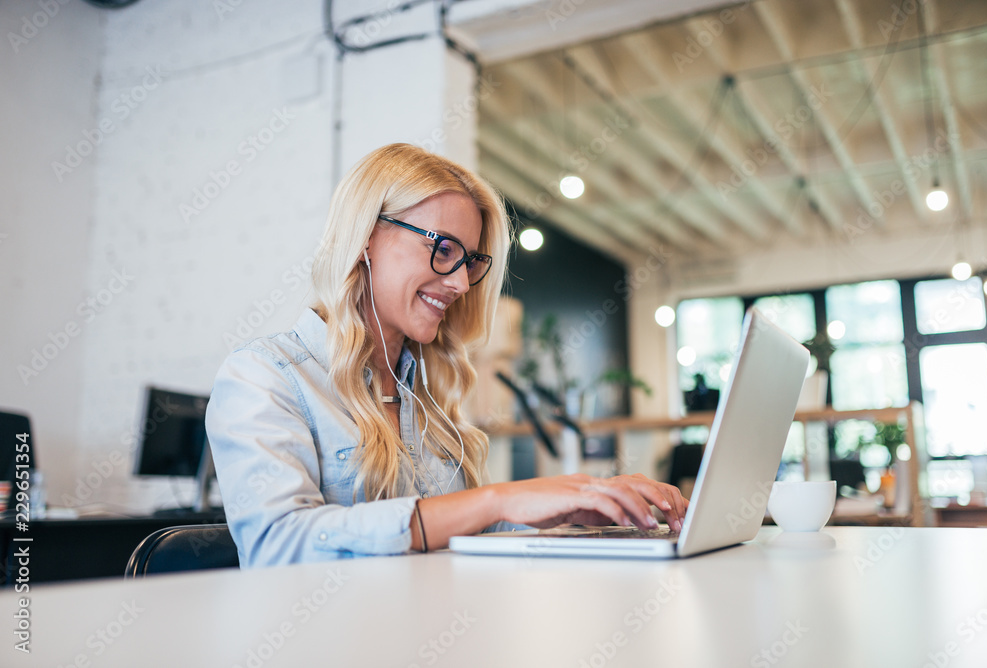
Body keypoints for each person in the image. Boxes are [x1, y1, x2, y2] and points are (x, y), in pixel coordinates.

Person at [205, 143, 689, 567]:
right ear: (366, 238)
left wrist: (576, 510)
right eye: (442, 249)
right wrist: (497, 499)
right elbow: (278, 546)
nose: (460, 283)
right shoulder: (265, 377)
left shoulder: (424, 396)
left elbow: (466, 534)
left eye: (471, 261)